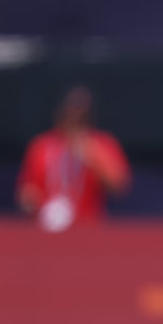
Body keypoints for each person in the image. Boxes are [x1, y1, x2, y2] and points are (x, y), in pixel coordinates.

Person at [16, 85, 131, 232]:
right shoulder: (42, 145)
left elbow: (119, 185)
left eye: (81, 116)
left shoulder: (102, 143)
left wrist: (91, 154)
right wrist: (31, 201)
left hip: (89, 228)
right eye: (70, 113)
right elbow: (26, 190)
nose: (74, 119)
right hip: (47, 227)